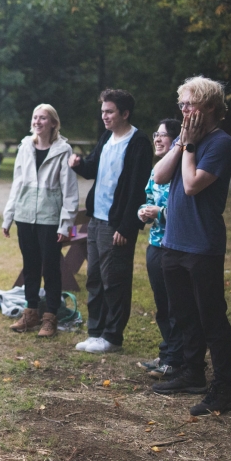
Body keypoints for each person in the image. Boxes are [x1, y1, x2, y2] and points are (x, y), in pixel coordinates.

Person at [149, 77, 231, 416]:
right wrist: (181, 144)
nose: (184, 110)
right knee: (183, 313)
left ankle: (223, 389)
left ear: (210, 107)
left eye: (191, 104)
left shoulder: (220, 143)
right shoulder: (186, 140)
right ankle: (192, 373)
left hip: (202, 244)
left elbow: (190, 185)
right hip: (173, 241)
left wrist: (187, 147)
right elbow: (159, 176)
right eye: (182, 105)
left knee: (212, 317)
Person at [69, 89, 153, 354]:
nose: (104, 116)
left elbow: (139, 189)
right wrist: (79, 164)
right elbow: (93, 167)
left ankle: (113, 338)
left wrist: (127, 226)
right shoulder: (107, 137)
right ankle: (96, 333)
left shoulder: (138, 142)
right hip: (96, 219)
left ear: (125, 114)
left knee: (114, 280)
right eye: (103, 111)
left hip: (116, 224)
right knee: (94, 278)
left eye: (110, 111)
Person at [2, 104, 79, 337]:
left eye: (43, 118)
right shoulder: (25, 146)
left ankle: (51, 317)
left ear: (53, 123)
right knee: (30, 266)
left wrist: (66, 224)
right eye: (35, 117)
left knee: (52, 268)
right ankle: (31, 312)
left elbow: (70, 190)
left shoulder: (63, 150)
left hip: (49, 218)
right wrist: (9, 217)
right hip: (25, 216)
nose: (37, 121)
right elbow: (17, 183)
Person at [136, 118, 183, 378]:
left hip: (177, 246)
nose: (157, 139)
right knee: (162, 306)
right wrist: (143, 212)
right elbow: (148, 201)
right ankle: (167, 355)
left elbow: (187, 210)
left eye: (163, 135)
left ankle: (179, 360)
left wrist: (161, 212)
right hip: (155, 245)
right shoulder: (157, 170)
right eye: (156, 133)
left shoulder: (183, 170)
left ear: (177, 140)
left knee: (178, 307)